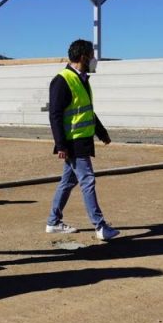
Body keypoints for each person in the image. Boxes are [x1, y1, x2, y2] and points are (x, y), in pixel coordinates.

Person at [45, 39, 119, 241]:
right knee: (87, 180)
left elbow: (87, 112)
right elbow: (55, 115)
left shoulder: (82, 80)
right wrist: (60, 144)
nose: (94, 59)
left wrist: (101, 132)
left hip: (82, 140)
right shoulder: (62, 80)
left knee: (68, 182)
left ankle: (53, 221)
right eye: (92, 55)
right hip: (73, 142)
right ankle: (100, 226)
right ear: (83, 57)